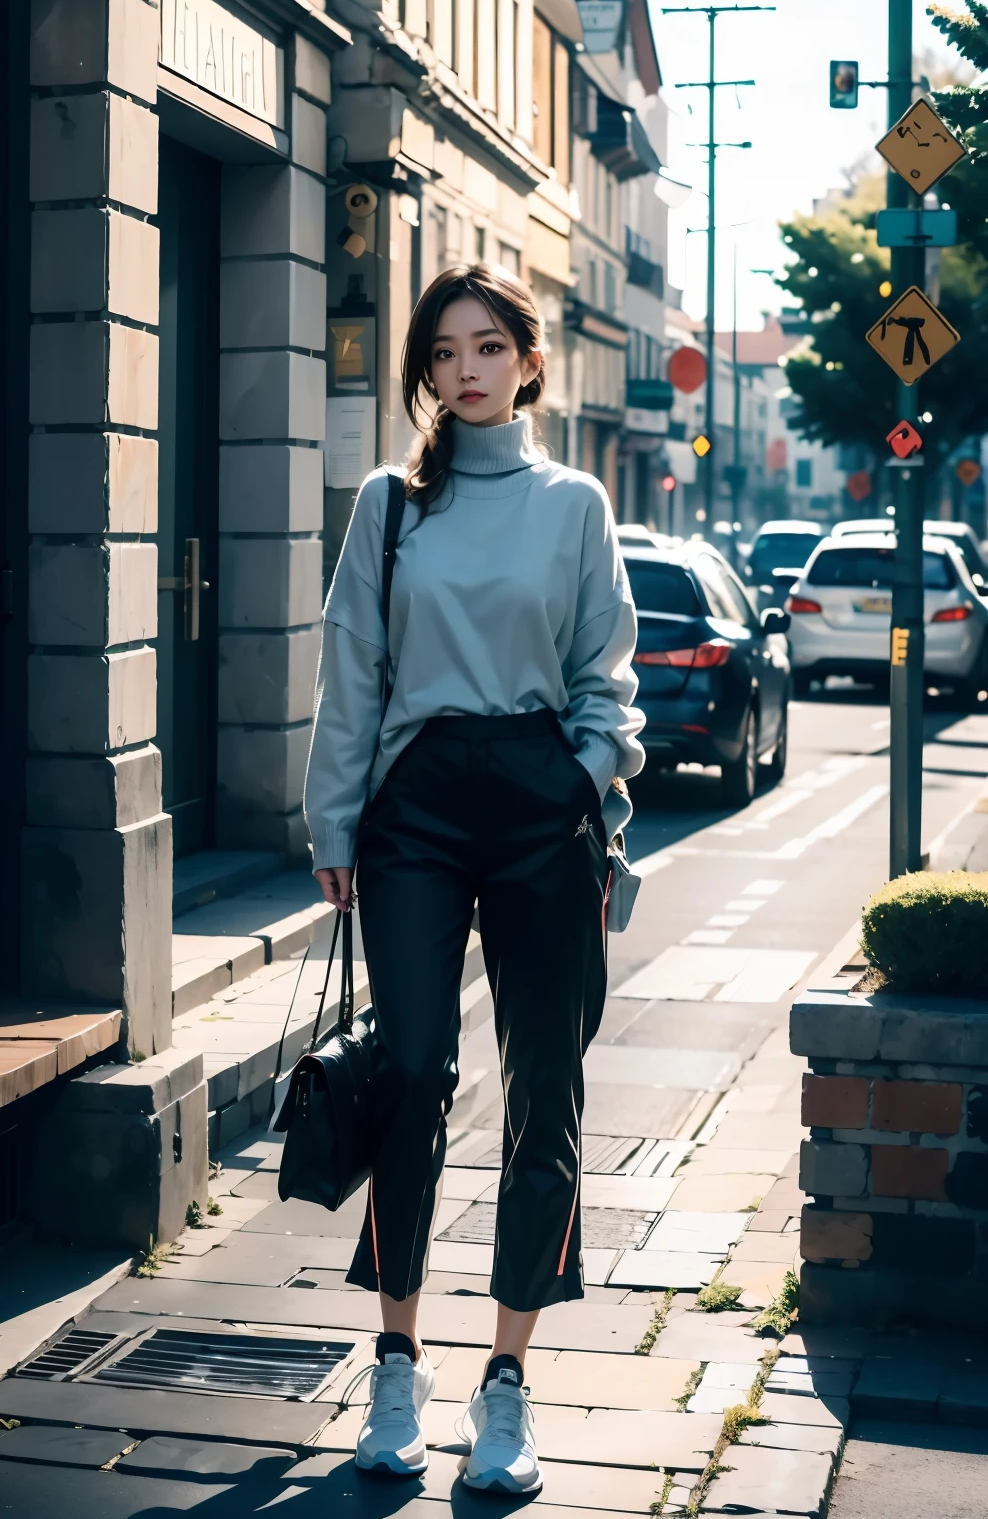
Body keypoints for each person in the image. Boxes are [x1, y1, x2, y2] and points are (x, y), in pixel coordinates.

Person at [304, 263, 644, 1494]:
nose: (466, 369)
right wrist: (330, 825)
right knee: (409, 1071)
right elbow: (353, 674)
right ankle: (396, 1359)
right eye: (443, 351)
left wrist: (587, 773)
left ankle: (506, 1381)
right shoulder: (389, 506)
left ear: (527, 361)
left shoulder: (574, 505)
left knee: (543, 1086)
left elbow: (607, 670)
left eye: (488, 346)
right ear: (423, 372)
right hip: (416, 808)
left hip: (540, 805)